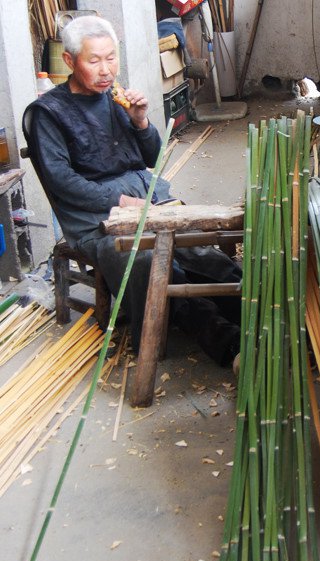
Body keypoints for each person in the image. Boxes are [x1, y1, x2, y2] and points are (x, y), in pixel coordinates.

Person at [25, 15, 242, 366]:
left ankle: (258, 317)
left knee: (202, 252)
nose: (106, 70)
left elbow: (152, 158)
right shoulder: (47, 113)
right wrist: (120, 201)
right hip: (96, 218)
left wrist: (141, 121)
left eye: (111, 58)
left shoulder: (115, 97)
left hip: (148, 199)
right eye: (94, 60)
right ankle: (229, 345)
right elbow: (61, 181)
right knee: (149, 264)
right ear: (69, 60)